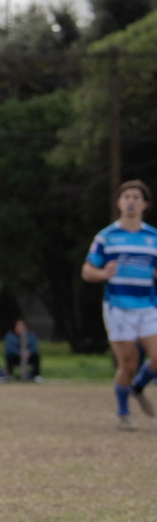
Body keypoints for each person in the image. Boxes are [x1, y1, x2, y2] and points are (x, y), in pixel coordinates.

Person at [81, 179, 157, 430]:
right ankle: (124, 413)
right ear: (119, 203)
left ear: (145, 204)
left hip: (147, 306)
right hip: (118, 307)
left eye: (136, 197)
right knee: (129, 363)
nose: (131, 201)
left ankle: (137, 387)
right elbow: (87, 270)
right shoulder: (106, 237)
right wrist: (102, 274)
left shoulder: (153, 237)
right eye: (126, 197)